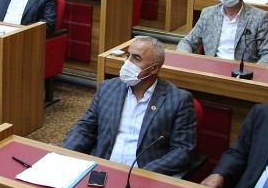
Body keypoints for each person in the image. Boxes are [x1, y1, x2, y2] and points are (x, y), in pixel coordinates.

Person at [62, 36, 197, 176]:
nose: (128, 63)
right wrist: (63, 153)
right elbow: (85, 128)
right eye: (128, 56)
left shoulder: (178, 100)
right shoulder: (107, 88)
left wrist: (144, 173)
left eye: (136, 58)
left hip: (144, 175)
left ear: (154, 69)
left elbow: (183, 150)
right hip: (102, 169)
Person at [177, 0, 268, 66]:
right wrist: (185, 60)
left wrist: (251, 73)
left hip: (242, 72)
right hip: (210, 69)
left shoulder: (259, 17)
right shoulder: (208, 13)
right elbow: (187, 42)